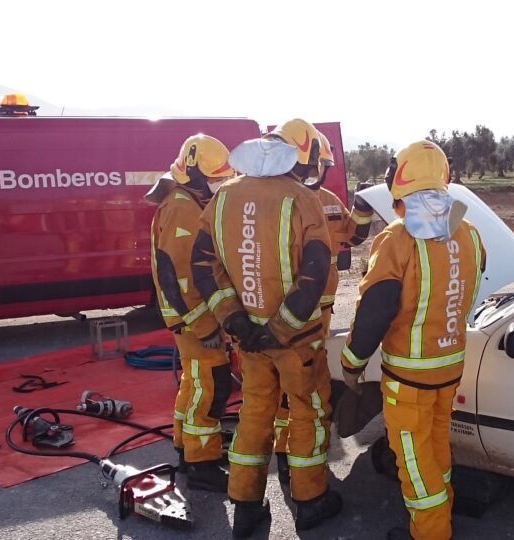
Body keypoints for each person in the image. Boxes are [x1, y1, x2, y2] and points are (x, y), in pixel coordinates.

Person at [190, 118, 342, 537]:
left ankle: (246, 507)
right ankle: (310, 500)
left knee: (255, 415)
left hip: (250, 341)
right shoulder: (303, 199)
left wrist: (235, 320)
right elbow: (314, 273)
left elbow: (203, 266)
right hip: (296, 342)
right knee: (308, 412)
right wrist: (280, 329)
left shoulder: (223, 198)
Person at [339, 140, 486, 540]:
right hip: (449, 369)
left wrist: (351, 365)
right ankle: (443, 513)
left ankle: (431, 533)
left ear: (397, 182)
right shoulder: (470, 234)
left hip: (408, 380)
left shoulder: (397, 239)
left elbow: (375, 312)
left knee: (414, 463)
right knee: (435, 448)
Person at [272, 129, 374, 483]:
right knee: (290, 385)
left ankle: (306, 446)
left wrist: (362, 208)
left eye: (323, 166)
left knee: (311, 380)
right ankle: (286, 452)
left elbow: (354, 235)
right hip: (288, 310)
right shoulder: (276, 200)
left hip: (322, 310)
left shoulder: (329, 200)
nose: (318, 171)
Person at [146, 134, 234, 492]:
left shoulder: (189, 200)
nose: (220, 183)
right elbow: (183, 275)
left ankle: (188, 448)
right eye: (216, 177)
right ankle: (202, 464)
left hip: (190, 320)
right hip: (195, 320)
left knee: (194, 383)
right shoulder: (182, 208)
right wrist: (205, 325)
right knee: (212, 386)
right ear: (194, 174)